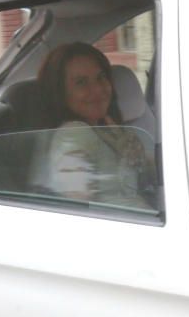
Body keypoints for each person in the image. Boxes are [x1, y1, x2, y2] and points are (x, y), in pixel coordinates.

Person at [33, 42, 153, 209]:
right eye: (81, 82)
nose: (97, 89)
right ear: (60, 93)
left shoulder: (106, 131)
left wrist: (137, 160)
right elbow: (77, 206)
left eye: (100, 77)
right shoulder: (73, 133)